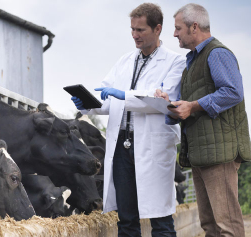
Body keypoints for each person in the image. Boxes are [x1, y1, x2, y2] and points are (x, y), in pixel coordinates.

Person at [71, 3, 185, 236]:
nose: (135, 35)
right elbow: (107, 98)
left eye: (141, 30)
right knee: (126, 219)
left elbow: (165, 103)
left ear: (158, 29)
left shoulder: (175, 62)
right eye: (132, 29)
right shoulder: (124, 61)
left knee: (161, 221)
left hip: (152, 148)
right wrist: (90, 105)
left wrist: (125, 95)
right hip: (123, 147)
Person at [155, 3, 251, 237]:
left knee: (227, 226)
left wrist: (193, 105)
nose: (174, 33)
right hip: (202, 153)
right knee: (210, 226)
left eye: (178, 28)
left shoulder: (217, 53)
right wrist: (172, 104)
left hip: (220, 154)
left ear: (194, 26)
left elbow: (232, 92)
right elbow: (190, 107)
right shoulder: (192, 63)